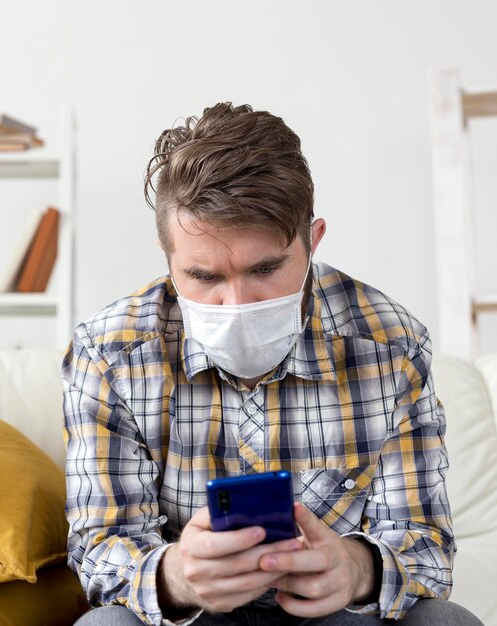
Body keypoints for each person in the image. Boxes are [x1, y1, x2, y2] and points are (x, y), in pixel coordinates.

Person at [62, 103, 481, 626]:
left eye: (266, 268)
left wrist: (354, 568)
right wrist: (176, 575)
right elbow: (100, 548)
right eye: (203, 276)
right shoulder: (109, 353)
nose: (237, 304)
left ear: (313, 241)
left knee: (446, 620)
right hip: (189, 615)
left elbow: (427, 547)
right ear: (168, 257)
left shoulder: (389, 342)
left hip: (335, 614)